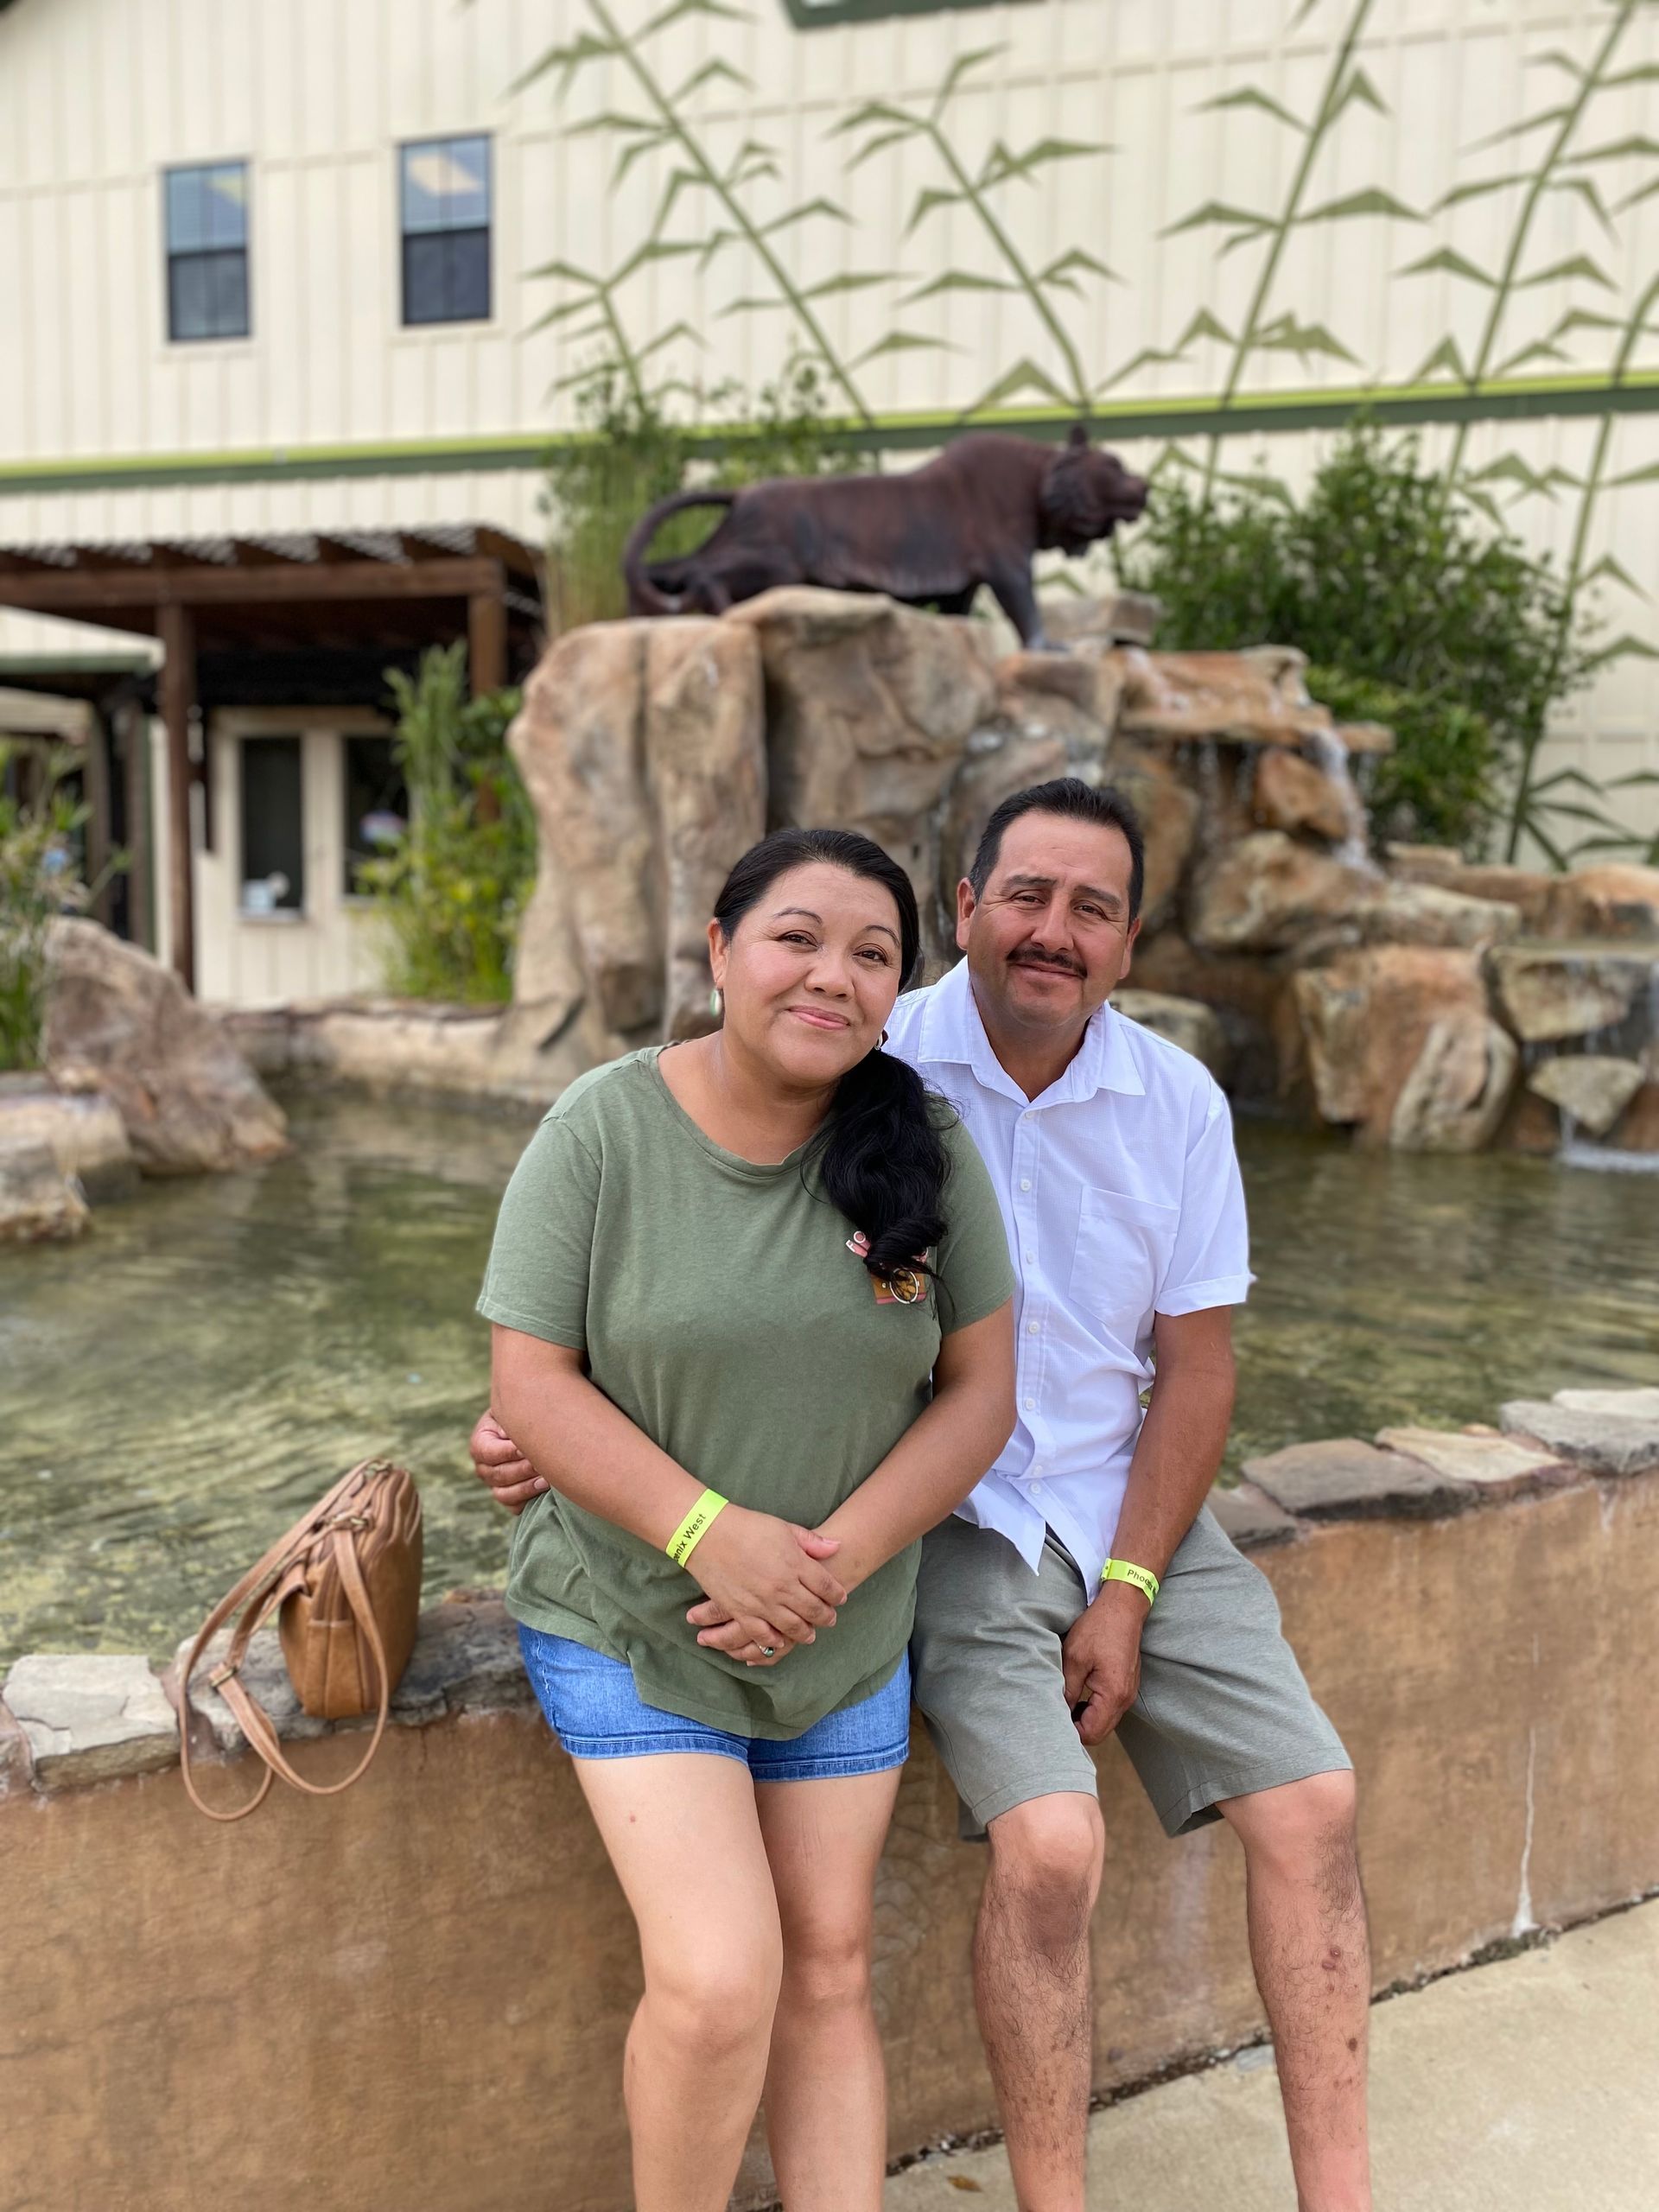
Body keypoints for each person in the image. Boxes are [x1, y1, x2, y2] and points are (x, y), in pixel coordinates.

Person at [476, 780, 1371, 2212]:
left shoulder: (1056, 1110)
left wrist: (1102, 1583)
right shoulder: (744, 1082)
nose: (831, 976)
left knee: (1302, 1805)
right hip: (796, 1570)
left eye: (1092, 908)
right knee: (817, 1941)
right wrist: (596, 1458)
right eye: (1026, 895)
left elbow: (1097, 1379)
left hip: (972, 1550)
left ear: (1131, 939)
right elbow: (557, 1358)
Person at [476, 825, 1015, 2212]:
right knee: (722, 1981)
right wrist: (711, 1532)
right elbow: (530, 1383)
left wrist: (827, 1567)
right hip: (633, 1617)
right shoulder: (602, 1129)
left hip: (843, 1625)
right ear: (720, 951)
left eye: (874, 954)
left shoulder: (923, 1146)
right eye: (797, 938)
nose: (834, 975)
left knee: (828, 1969)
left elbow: (978, 1394)